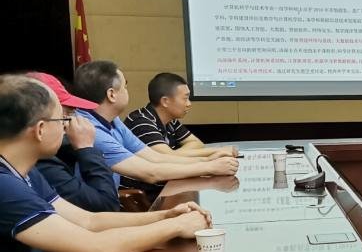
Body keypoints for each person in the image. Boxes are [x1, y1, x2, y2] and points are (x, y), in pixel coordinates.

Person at [0, 75, 214, 252]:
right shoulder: (5, 186)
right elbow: (94, 248)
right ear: (40, 129)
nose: (68, 126)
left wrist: (165, 215)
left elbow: (89, 221)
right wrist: (175, 227)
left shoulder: (24, 173)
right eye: (63, 119)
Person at [71, 60, 237, 189]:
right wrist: (209, 167)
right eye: (125, 86)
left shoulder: (113, 120)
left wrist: (206, 160)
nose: (127, 90)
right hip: (100, 210)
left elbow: (156, 158)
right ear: (112, 94)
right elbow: (150, 172)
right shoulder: (90, 129)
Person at [29, 72, 119, 212]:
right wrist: (86, 148)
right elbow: (106, 206)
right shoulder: (41, 164)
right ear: (40, 126)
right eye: (65, 116)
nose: (71, 123)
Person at [124, 72, 236, 159]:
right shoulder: (141, 121)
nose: (189, 104)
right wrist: (218, 150)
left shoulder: (170, 121)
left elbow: (197, 143)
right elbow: (165, 159)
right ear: (165, 101)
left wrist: (174, 155)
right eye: (185, 98)